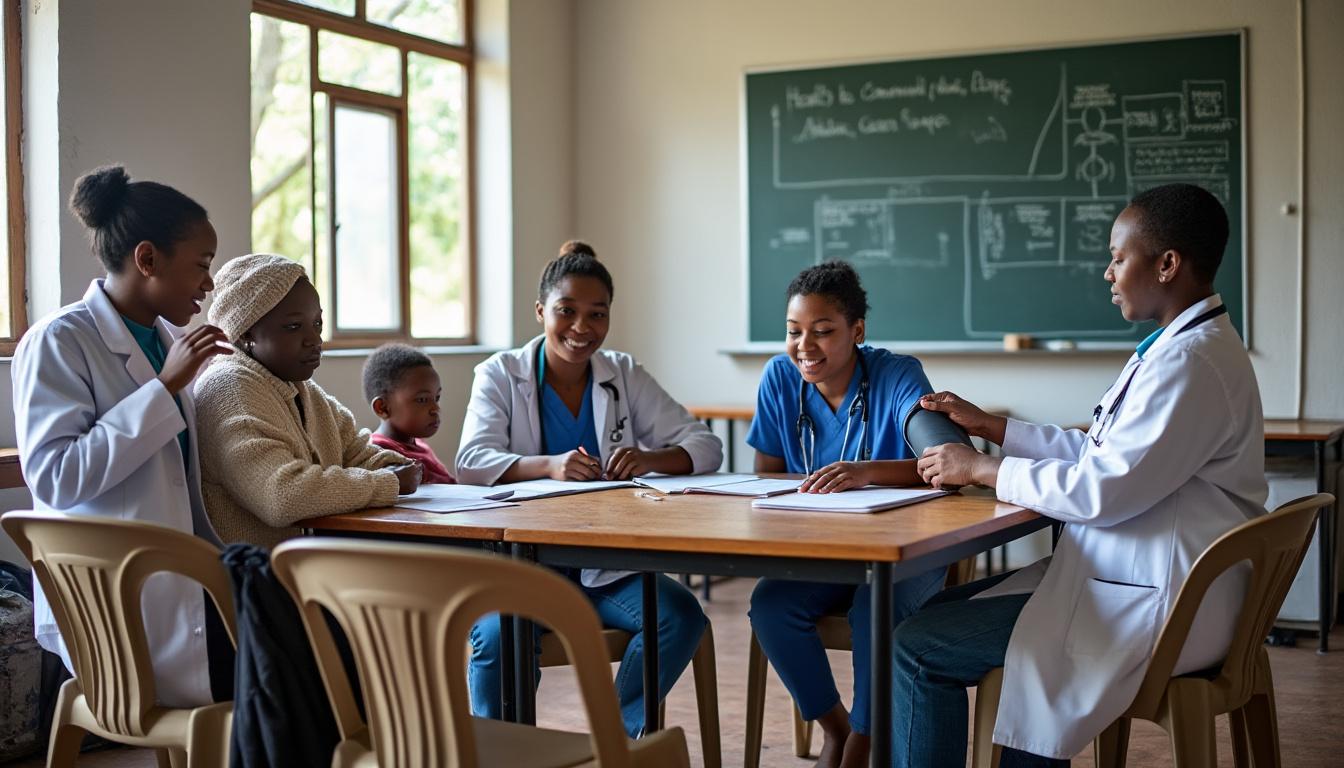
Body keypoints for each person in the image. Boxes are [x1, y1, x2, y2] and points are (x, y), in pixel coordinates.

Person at [899, 183, 1266, 767]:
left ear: (1167, 264)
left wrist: (982, 468)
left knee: (916, 646)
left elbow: (1099, 491)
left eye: (1119, 258)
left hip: (1162, 600)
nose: (1108, 272)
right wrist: (994, 428)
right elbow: (1101, 454)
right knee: (931, 618)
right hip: (1141, 572)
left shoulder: (1188, 364)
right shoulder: (1179, 348)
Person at [455, 240, 720, 737]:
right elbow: (471, 463)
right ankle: (498, 752)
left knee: (680, 618)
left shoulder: (621, 373)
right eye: (566, 311)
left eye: (597, 314)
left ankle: (616, 741)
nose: (582, 328)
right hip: (522, 565)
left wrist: (651, 458)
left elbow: (704, 445)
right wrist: (548, 466)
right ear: (540, 311)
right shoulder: (500, 373)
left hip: (605, 565)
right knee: (496, 637)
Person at [12, 165, 234, 706]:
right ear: (148, 259)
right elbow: (56, 477)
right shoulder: (58, 341)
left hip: (176, 578)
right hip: (115, 603)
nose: (210, 283)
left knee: (311, 626)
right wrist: (164, 388)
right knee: (292, 667)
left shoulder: (165, 341)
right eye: (201, 266)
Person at [745, 260, 944, 768]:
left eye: (823, 331)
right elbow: (766, 476)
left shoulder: (898, 374)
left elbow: (943, 463)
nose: (804, 347)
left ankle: (862, 742)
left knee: (871, 607)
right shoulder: (779, 378)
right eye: (794, 332)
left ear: (857, 330)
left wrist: (863, 472)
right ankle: (834, 727)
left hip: (904, 551)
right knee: (770, 605)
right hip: (823, 549)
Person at [194, 254, 421, 550]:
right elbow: (282, 496)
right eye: (293, 327)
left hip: (304, 574)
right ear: (246, 332)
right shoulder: (230, 387)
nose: (314, 339)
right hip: (252, 584)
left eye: (317, 323)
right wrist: (386, 483)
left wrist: (396, 465)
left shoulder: (301, 389)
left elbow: (355, 451)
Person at [362, 343, 455, 484]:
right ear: (383, 408)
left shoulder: (420, 445)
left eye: (437, 398)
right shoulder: (379, 454)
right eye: (422, 400)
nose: (436, 408)